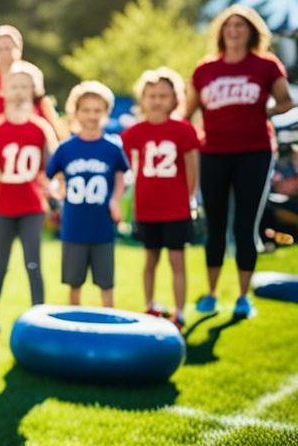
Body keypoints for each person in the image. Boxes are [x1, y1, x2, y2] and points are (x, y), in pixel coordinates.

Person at [186, 5, 294, 319]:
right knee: (215, 225)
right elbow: (188, 112)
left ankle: (243, 298)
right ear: (221, 31)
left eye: (240, 25)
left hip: (255, 152)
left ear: (251, 31)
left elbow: (286, 100)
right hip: (213, 153)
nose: (234, 30)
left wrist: (266, 112)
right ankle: (210, 293)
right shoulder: (205, 69)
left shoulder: (265, 65)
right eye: (229, 25)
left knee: (245, 226)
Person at [0, 61, 57, 341]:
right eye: (15, 85)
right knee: (0, 263)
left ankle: (40, 317)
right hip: (4, 207)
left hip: (32, 207)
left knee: (33, 264)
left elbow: (54, 163)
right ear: (4, 90)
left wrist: (51, 183)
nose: (20, 91)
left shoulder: (40, 128)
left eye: (26, 85)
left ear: (34, 90)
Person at [122, 68, 200, 329]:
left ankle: (179, 311)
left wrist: (189, 198)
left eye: (163, 95)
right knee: (150, 259)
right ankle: (150, 305)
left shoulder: (183, 130)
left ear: (174, 98)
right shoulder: (134, 132)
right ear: (142, 99)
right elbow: (125, 165)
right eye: (151, 95)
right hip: (146, 207)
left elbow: (191, 166)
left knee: (177, 259)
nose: (157, 101)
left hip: (175, 207)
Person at [46, 81, 129, 307]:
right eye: (86, 110)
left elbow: (122, 176)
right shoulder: (66, 148)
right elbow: (50, 177)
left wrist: (115, 199)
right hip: (73, 227)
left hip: (102, 228)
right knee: (74, 283)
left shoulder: (113, 148)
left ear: (106, 113)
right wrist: (57, 191)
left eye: (97, 110)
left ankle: (109, 322)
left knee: (106, 283)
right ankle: (73, 326)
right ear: (76, 112)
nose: (92, 116)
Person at [0, 25, 67, 181]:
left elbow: (45, 110)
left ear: (19, 49)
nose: (4, 53)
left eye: (9, 48)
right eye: (0, 49)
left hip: (34, 141)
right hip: (5, 149)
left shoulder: (31, 75)